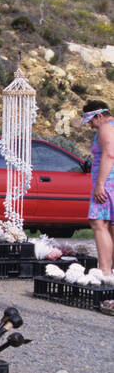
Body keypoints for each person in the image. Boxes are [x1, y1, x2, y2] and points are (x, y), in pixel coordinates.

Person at [84, 100, 114, 275]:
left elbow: (109, 155)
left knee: (98, 222)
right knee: (110, 225)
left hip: (108, 182)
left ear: (100, 116)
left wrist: (100, 184)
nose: (90, 126)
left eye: (91, 121)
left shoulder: (105, 128)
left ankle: (104, 270)